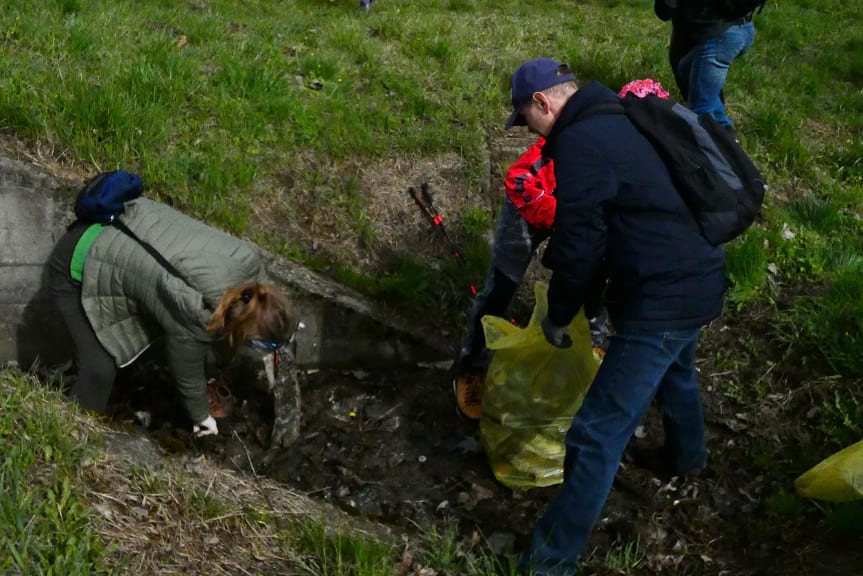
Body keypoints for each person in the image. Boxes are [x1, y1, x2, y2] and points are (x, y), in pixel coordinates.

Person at [503, 57, 727, 575]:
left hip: (664, 297)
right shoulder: (624, 116)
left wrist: (559, 315)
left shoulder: (582, 142)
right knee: (676, 370)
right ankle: (687, 459)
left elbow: (582, 241)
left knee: (595, 433)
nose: (527, 134)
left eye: (525, 120)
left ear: (543, 103)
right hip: (701, 273)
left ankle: (548, 562)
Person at [49, 194, 296, 437]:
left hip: (119, 220)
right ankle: (69, 435)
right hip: (79, 264)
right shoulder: (196, 312)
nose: (258, 347)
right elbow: (186, 373)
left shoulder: (248, 265)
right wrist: (201, 418)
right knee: (98, 370)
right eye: (258, 343)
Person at [455, 137, 610, 420]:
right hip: (532, 197)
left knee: (597, 285)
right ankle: (473, 365)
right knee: (501, 287)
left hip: (588, 213)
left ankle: (592, 358)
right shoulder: (539, 169)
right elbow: (521, 179)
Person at [655, 0, 756, 127]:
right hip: (743, 29)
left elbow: (664, 11)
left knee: (700, 112)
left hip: (720, 36)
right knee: (685, 69)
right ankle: (724, 131)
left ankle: (707, 142)